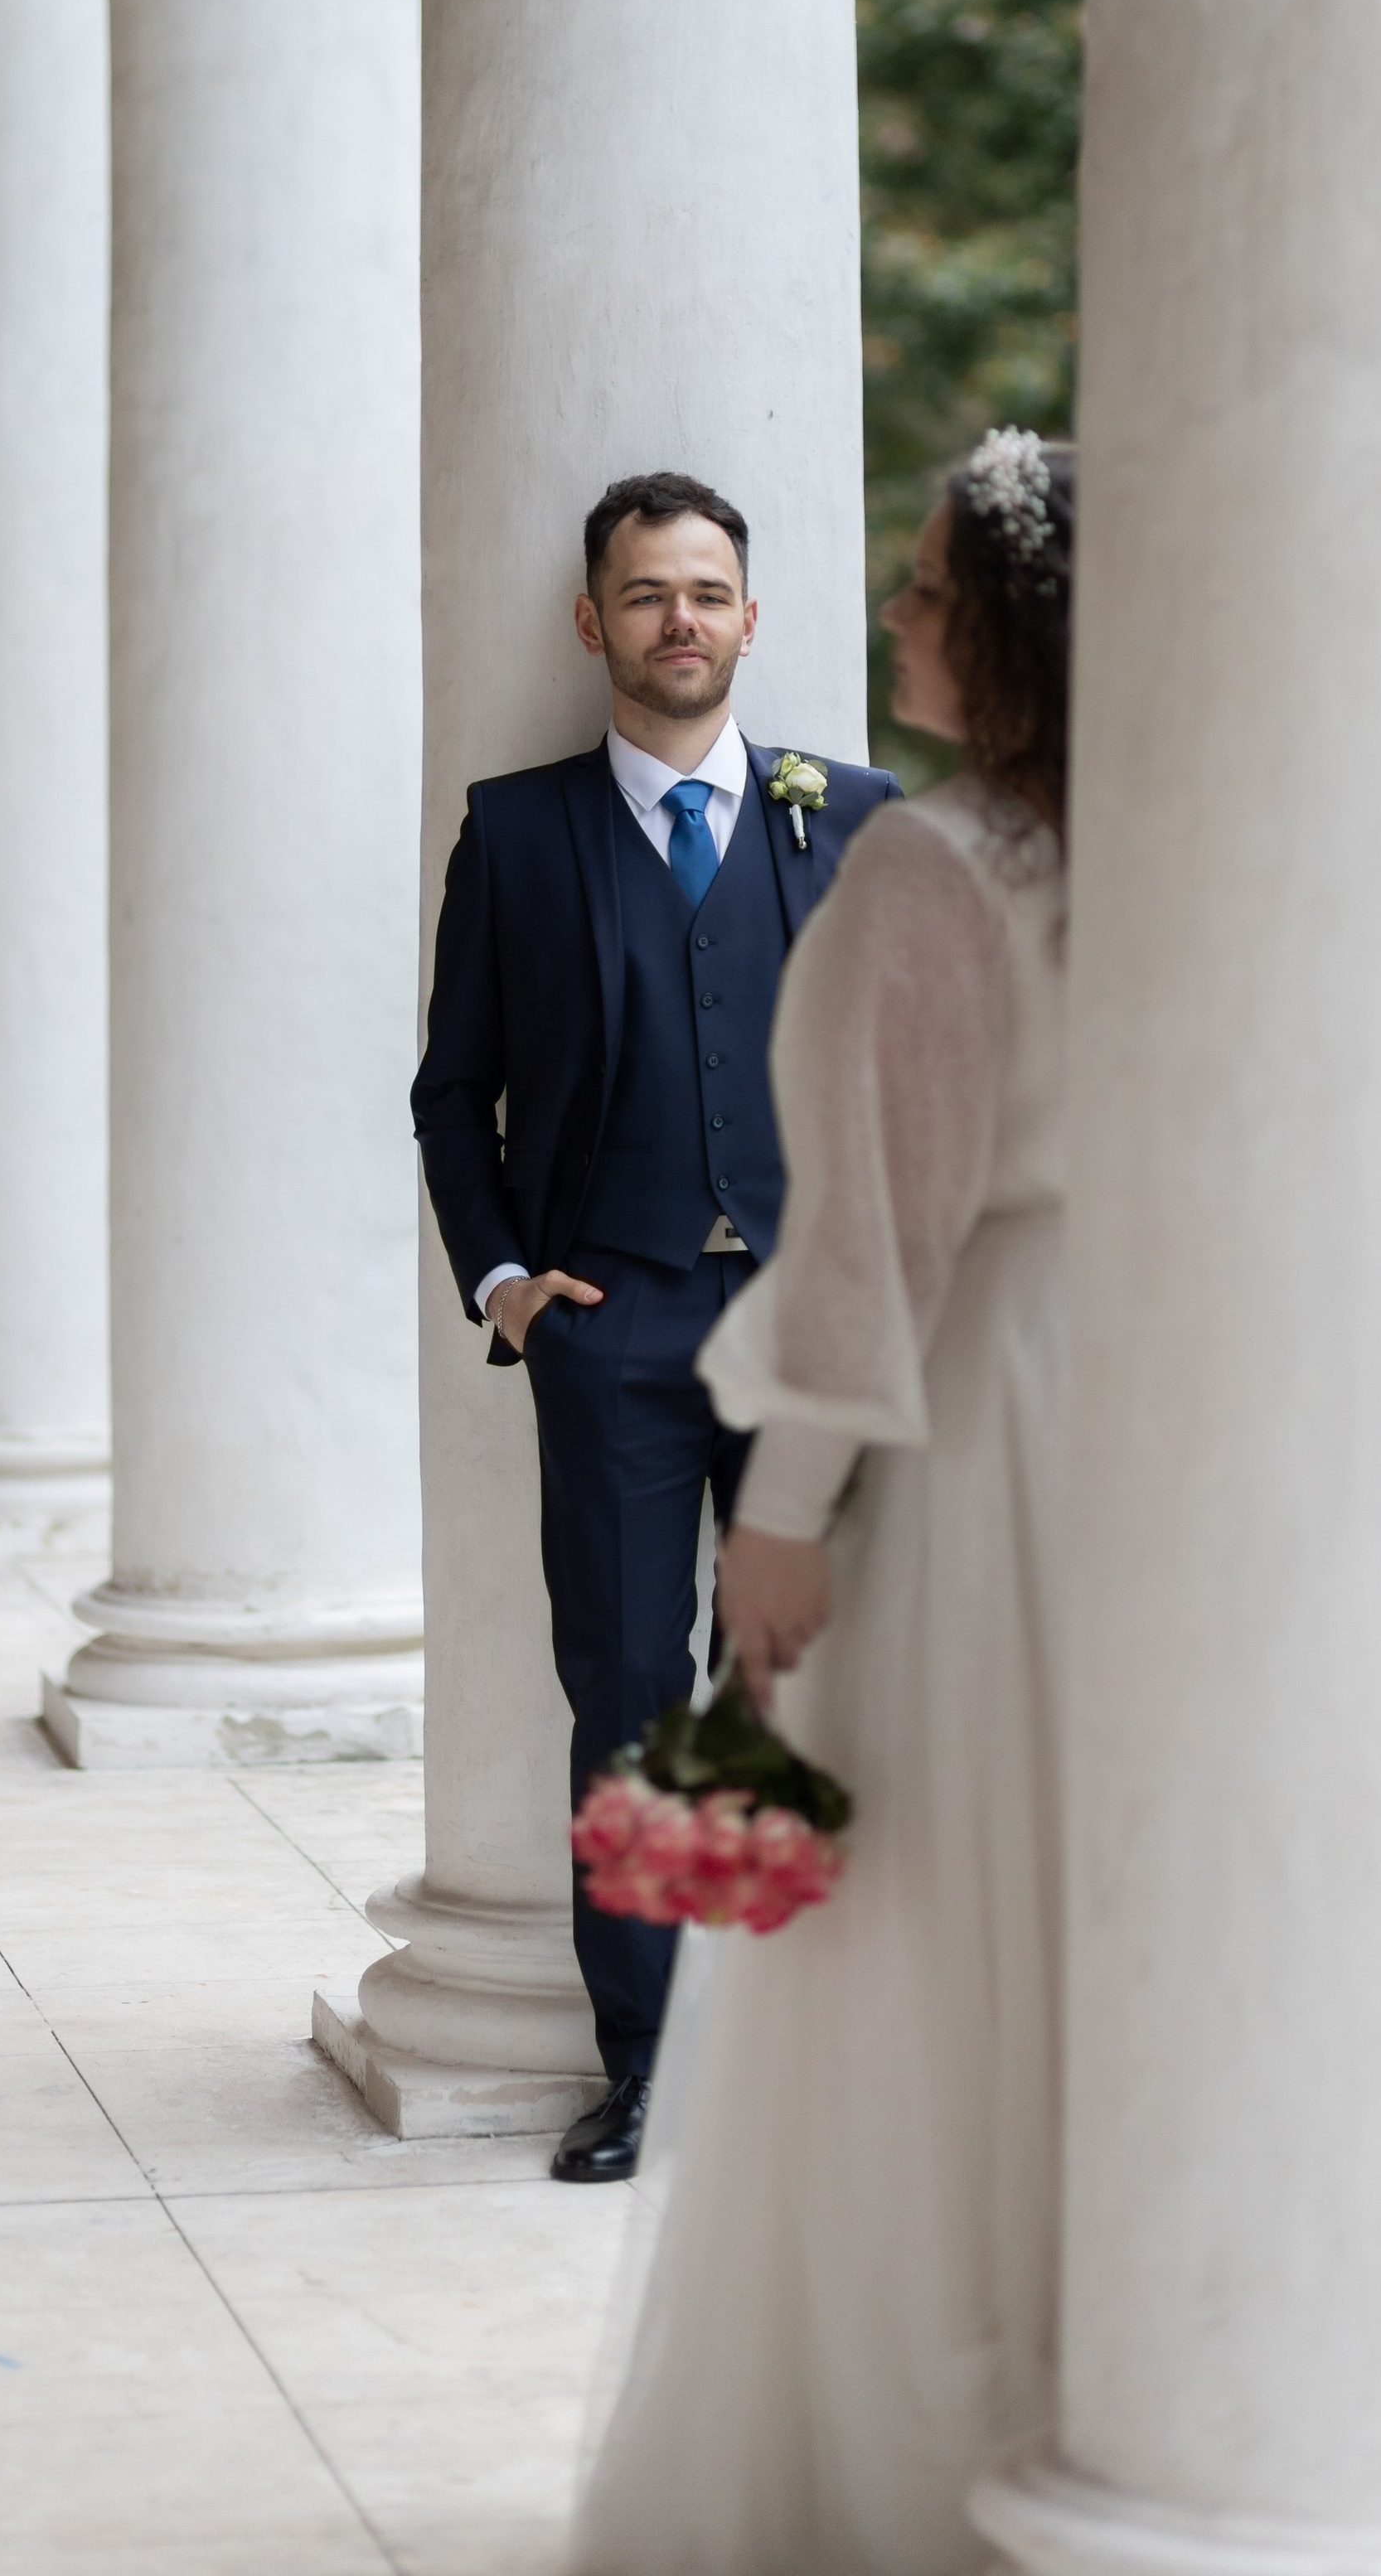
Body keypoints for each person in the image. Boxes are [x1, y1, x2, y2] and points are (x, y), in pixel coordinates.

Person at [574, 430, 1075, 2574]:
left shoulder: (928, 865)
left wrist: (781, 1504)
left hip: (974, 1417)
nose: (896, 613)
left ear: (1010, 627)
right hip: (1142, 1408)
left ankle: (916, 2435)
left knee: (924, 1917)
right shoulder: (1182, 839)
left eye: (929, 585)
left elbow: (873, 1223)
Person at [414, 470, 900, 2181]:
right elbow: (452, 1094)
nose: (677, 619)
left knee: (816, 1687)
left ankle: (819, 2067)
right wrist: (507, 1287)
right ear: (592, 622)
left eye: (704, 591)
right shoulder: (518, 832)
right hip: (608, 1328)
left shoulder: (851, 818)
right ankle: (654, 2070)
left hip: (808, 1331)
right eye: (643, 593)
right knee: (626, 1694)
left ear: (749, 618)